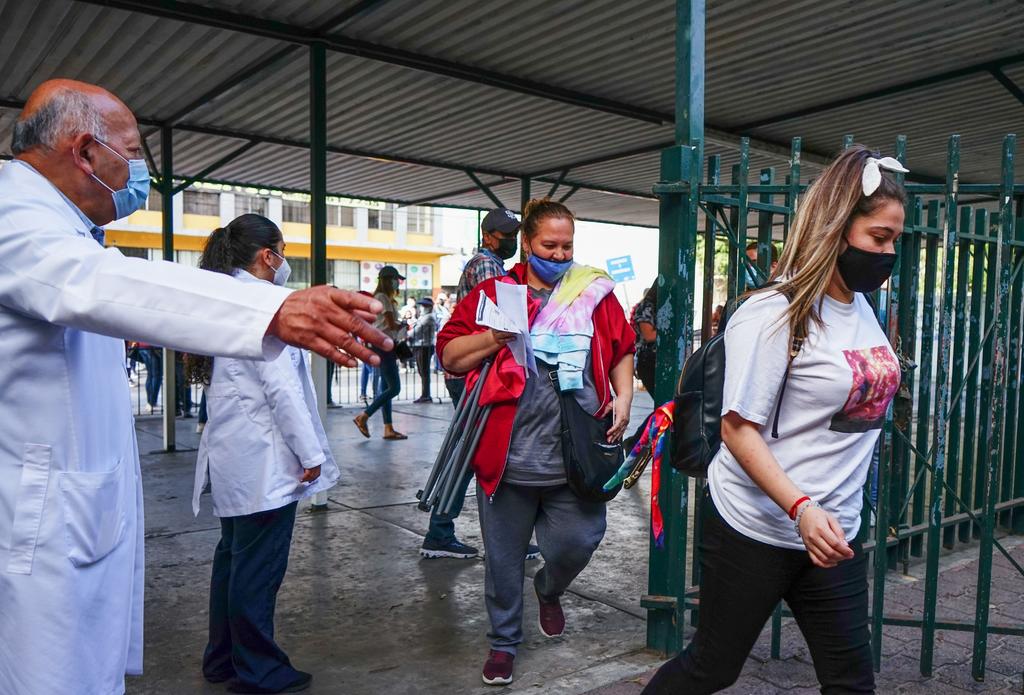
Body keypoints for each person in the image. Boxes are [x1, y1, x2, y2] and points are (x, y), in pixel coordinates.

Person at [0, 79, 390, 695]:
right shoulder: (13, 217)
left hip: (75, 511)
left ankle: (227, 658)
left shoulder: (60, 227)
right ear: (86, 152)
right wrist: (271, 309)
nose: (139, 173)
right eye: (132, 153)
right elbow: (101, 285)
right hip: (42, 530)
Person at [642, 146, 907, 694]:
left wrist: (825, 512)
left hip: (834, 532)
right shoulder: (772, 314)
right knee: (712, 668)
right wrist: (801, 507)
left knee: (852, 683)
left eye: (894, 241)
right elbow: (737, 431)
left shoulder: (862, 309)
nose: (888, 254)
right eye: (879, 238)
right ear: (836, 229)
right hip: (756, 527)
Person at [437, 197, 635, 686]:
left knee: (579, 540)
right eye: (550, 245)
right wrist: (494, 338)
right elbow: (451, 355)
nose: (560, 255)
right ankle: (503, 643)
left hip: (576, 455)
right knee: (503, 563)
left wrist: (625, 397)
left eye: (567, 246)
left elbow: (623, 347)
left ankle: (549, 587)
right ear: (527, 243)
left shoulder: (593, 292)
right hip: (507, 457)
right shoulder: (496, 293)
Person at [188, 215, 340, 694]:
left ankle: (222, 659)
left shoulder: (224, 299)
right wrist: (311, 455)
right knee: (257, 569)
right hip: (264, 460)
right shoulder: (266, 305)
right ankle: (259, 670)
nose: (285, 260)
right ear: (267, 257)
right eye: (283, 251)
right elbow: (283, 391)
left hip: (236, 456)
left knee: (233, 562)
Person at [422, 208, 522, 560]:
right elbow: (502, 316)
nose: (512, 240)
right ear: (488, 236)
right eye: (506, 235)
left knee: (472, 447)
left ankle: (457, 531)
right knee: (473, 449)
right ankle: (442, 531)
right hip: (474, 373)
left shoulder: (490, 264)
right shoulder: (486, 266)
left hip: (473, 371)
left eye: (515, 234)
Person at [353, 266, 408, 440]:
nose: (397, 283)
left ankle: (388, 428)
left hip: (382, 345)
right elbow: (391, 325)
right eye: (396, 279)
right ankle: (364, 416)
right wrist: (403, 325)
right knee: (395, 387)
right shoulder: (383, 298)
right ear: (388, 280)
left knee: (386, 387)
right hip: (383, 346)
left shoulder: (381, 298)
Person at [631, 283, 658, 395]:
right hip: (648, 360)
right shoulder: (645, 307)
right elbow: (649, 336)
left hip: (652, 359)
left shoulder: (653, 306)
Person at [410, 296, 437, 403]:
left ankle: (426, 395)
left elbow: (416, 331)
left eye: (425, 305)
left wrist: (406, 334)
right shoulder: (424, 317)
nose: (422, 307)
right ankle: (425, 394)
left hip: (424, 346)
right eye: (422, 305)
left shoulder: (428, 317)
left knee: (424, 372)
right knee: (422, 371)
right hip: (420, 346)